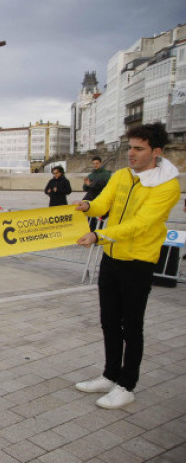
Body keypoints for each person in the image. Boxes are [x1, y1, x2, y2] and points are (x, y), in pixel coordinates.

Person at [74, 123, 180, 409]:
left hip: (138, 261)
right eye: (129, 147)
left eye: (138, 149)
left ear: (156, 152)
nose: (130, 154)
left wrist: (98, 235)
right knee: (109, 320)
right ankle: (110, 375)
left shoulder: (167, 186)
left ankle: (127, 385)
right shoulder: (121, 175)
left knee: (132, 325)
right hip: (111, 257)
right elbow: (103, 204)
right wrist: (87, 208)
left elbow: (141, 224)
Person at [83, 156, 111, 231]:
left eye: (97, 163)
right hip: (91, 199)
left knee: (100, 220)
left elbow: (106, 187)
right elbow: (85, 189)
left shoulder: (106, 174)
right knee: (91, 219)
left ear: (101, 163)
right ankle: (91, 233)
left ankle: (99, 235)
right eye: (94, 164)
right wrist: (86, 184)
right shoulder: (91, 175)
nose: (95, 165)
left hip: (101, 200)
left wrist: (91, 184)